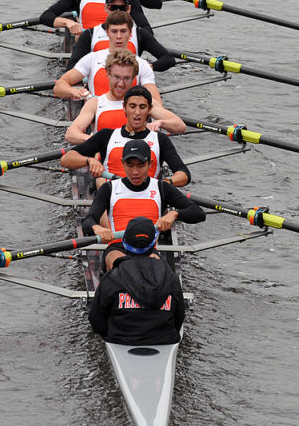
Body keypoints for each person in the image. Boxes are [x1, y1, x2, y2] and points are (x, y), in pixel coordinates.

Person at [81, 140, 204, 272]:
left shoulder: (161, 187)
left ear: (150, 164)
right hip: (118, 246)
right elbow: (88, 221)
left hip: (148, 249)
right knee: (123, 268)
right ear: (122, 163)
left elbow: (198, 213)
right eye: (130, 165)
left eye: (140, 166)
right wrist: (96, 227)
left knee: (157, 272)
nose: (135, 172)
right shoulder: (109, 188)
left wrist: (174, 214)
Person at [61, 85, 190, 187]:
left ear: (149, 110)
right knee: (101, 184)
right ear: (124, 108)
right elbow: (66, 159)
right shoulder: (106, 135)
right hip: (113, 198)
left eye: (142, 107)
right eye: (132, 106)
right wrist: (89, 160)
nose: (137, 113)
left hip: (147, 197)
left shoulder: (160, 140)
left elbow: (184, 174)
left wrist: (166, 184)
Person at [88, 216, 186, 346]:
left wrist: (109, 336)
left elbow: (96, 319)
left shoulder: (112, 277)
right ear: (153, 245)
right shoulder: (171, 277)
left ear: (125, 244)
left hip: (120, 340)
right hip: (164, 340)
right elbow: (179, 317)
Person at [61, 51, 184, 141]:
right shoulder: (95, 103)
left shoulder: (144, 102)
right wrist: (95, 141)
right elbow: (71, 134)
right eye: (117, 77)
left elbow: (180, 126)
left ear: (134, 78)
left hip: (137, 164)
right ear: (108, 74)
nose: (120, 83)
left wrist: (161, 123)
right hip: (106, 169)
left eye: (126, 78)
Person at [65, 0, 174, 72]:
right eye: (113, 7)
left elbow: (168, 59)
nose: (118, 11)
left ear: (129, 9)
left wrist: (145, 68)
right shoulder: (89, 34)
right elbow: (72, 67)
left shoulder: (140, 34)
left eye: (123, 8)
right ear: (106, 8)